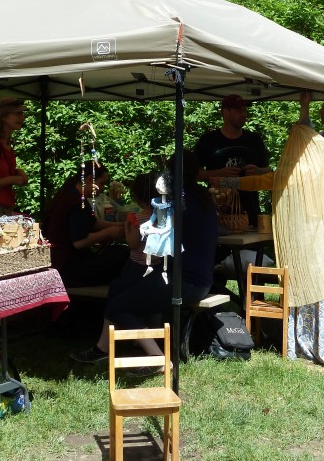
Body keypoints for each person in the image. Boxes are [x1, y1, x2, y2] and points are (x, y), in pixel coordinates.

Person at [213, 99, 324, 368]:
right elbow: (269, 177)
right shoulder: (316, 163)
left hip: (306, 237)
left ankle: (306, 336)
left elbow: (268, 181)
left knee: (307, 282)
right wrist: (304, 106)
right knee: (317, 282)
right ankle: (319, 336)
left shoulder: (297, 169)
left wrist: (225, 180)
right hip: (318, 234)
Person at [71, 153, 218, 370]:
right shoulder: (201, 198)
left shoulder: (177, 202)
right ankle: (103, 349)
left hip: (183, 281)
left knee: (119, 306)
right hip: (198, 278)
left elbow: (156, 251)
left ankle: (157, 359)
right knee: (118, 288)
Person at [41, 160, 128, 287]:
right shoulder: (76, 202)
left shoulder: (72, 195)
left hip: (63, 263)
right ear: (89, 179)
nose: (103, 188)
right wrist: (109, 232)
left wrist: (120, 225)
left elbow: (92, 223)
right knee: (123, 254)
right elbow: (79, 242)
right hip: (69, 268)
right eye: (102, 183)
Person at [195, 94, 271, 229]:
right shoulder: (208, 140)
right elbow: (194, 173)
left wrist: (258, 171)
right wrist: (219, 173)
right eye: (239, 110)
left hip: (250, 213)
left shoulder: (254, 140)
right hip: (218, 214)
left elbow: (268, 171)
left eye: (245, 110)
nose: (244, 114)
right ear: (225, 112)